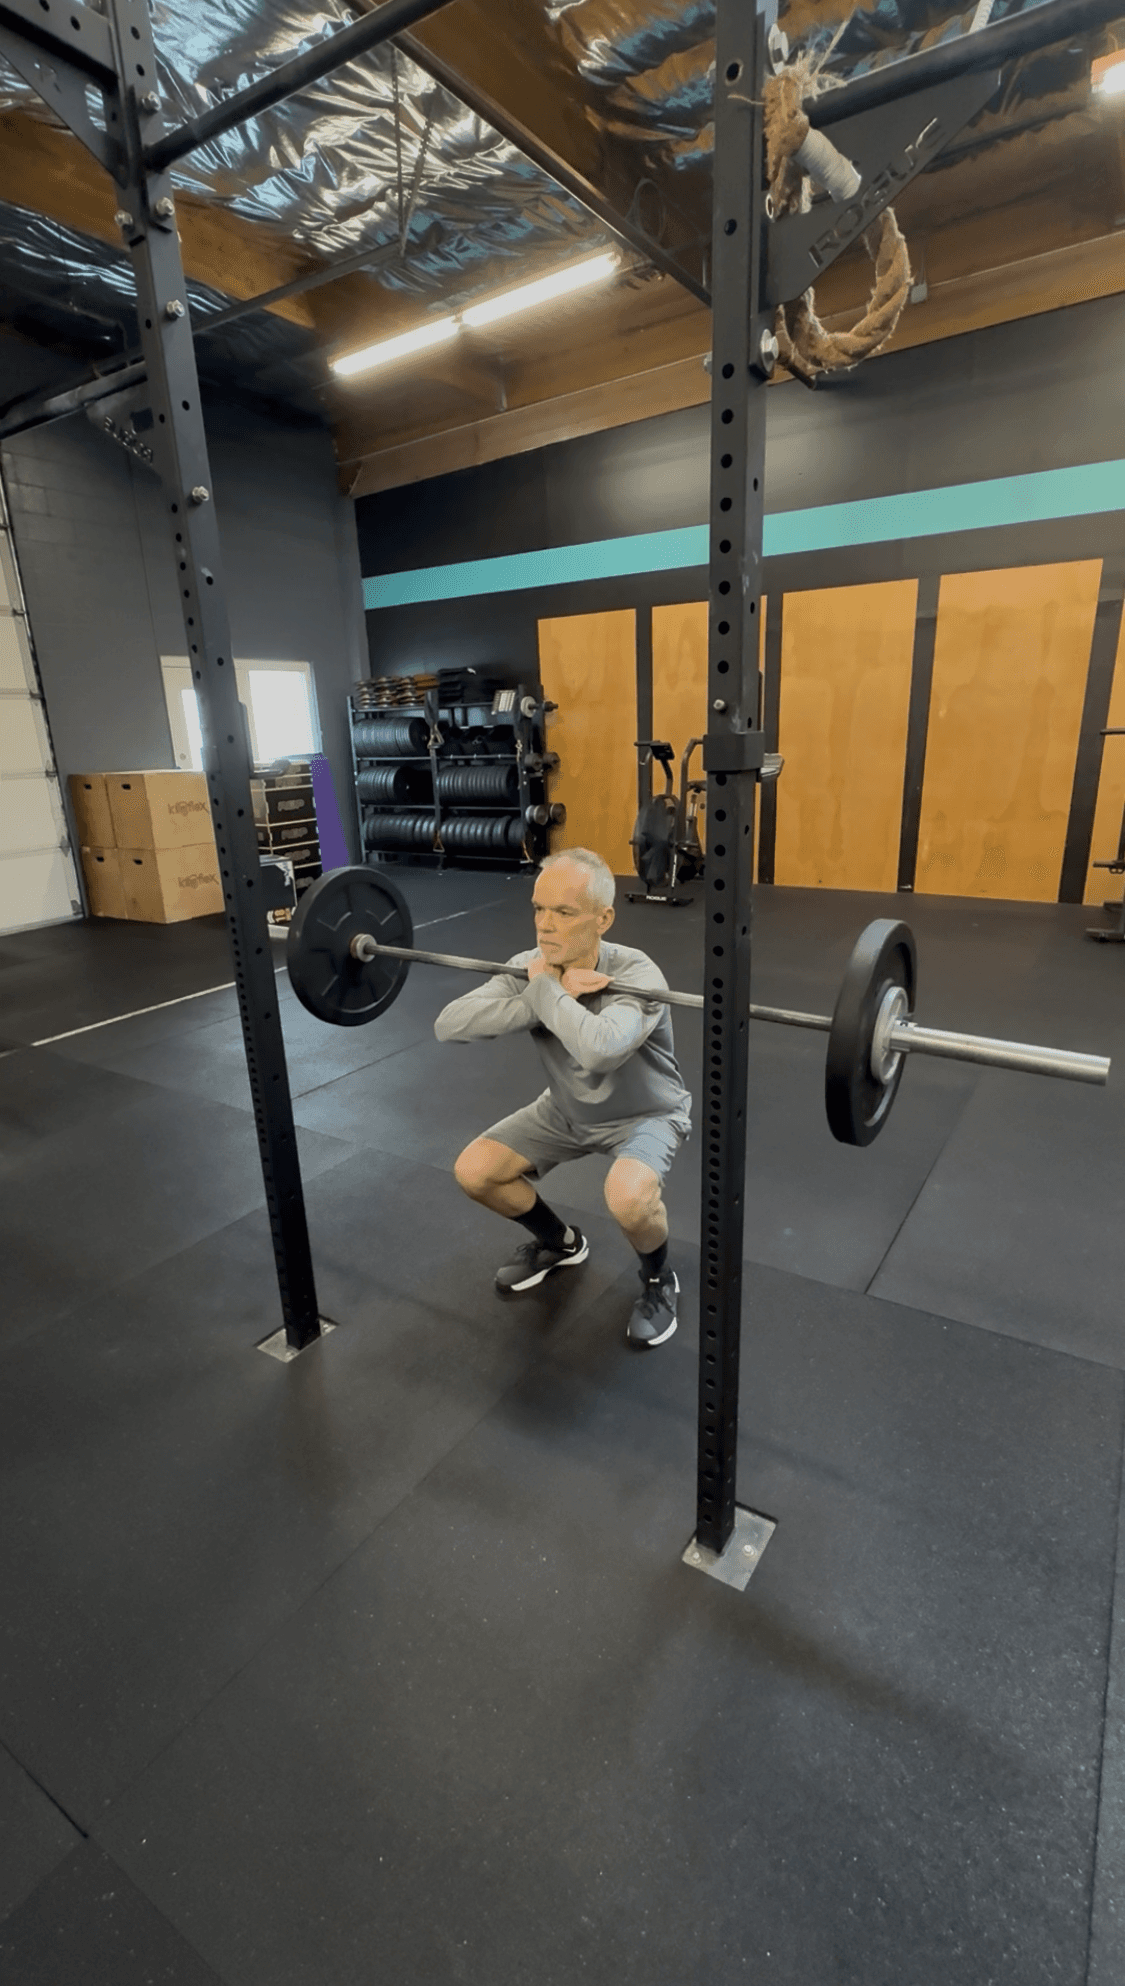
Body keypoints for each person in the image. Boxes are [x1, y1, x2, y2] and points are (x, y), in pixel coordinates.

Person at [435, 848, 692, 1347]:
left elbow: (599, 1051)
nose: (544, 926)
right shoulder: (531, 968)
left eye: (564, 912)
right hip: (565, 1110)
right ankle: (560, 1244)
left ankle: (660, 1278)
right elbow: (452, 1024)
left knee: (627, 1197)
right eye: (538, 908)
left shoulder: (638, 975)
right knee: (475, 1171)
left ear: (604, 919)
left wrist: (544, 993)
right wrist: (548, 992)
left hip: (644, 1115)